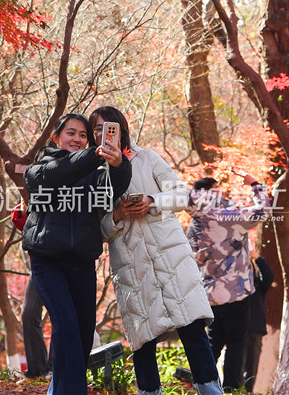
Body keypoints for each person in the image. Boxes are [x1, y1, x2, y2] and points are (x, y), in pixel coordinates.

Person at [92, 106, 223, 395]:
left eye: (109, 127)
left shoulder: (147, 158)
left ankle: (211, 391)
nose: (104, 134)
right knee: (143, 338)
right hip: (130, 262)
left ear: (122, 129)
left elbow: (181, 195)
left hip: (170, 254)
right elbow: (98, 228)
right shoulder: (93, 172)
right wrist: (117, 216)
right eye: (97, 130)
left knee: (192, 327)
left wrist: (152, 200)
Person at [22, 112, 130, 395]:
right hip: (47, 260)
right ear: (56, 137)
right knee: (66, 325)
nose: (77, 139)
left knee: (82, 334)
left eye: (83, 135)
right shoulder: (38, 169)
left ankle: (60, 389)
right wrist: (96, 154)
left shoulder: (95, 174)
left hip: (82, 262)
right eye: (71, 133)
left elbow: (114, 189)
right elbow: (60, 172)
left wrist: (119, 164)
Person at [187, 172, 270, 391]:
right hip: (236, 292)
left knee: (214, 341)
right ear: (213, 191)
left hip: (210, 294)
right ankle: (231, 389)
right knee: (236, 343)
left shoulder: (195, 224)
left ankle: (203, 385)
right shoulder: (230, 215)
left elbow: (190, 256)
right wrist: (255, 184)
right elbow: (264, 210)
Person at [12, 204, 52, 378]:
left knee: (61, 315)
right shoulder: (35, 187)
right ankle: (37, 370)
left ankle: (55, 368)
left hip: (67, 257)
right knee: (28, 313)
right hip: (41, 260)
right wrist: (22, 210)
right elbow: (25, 224)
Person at [242, 253, 274, 391]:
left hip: (255, 331)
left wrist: (256, 257)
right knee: (236, 366)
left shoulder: (259, 285)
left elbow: (268, 275)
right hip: (238, 332)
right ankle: (232, 390)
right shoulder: (233, 288)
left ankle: (248, 391)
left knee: (252, 367)